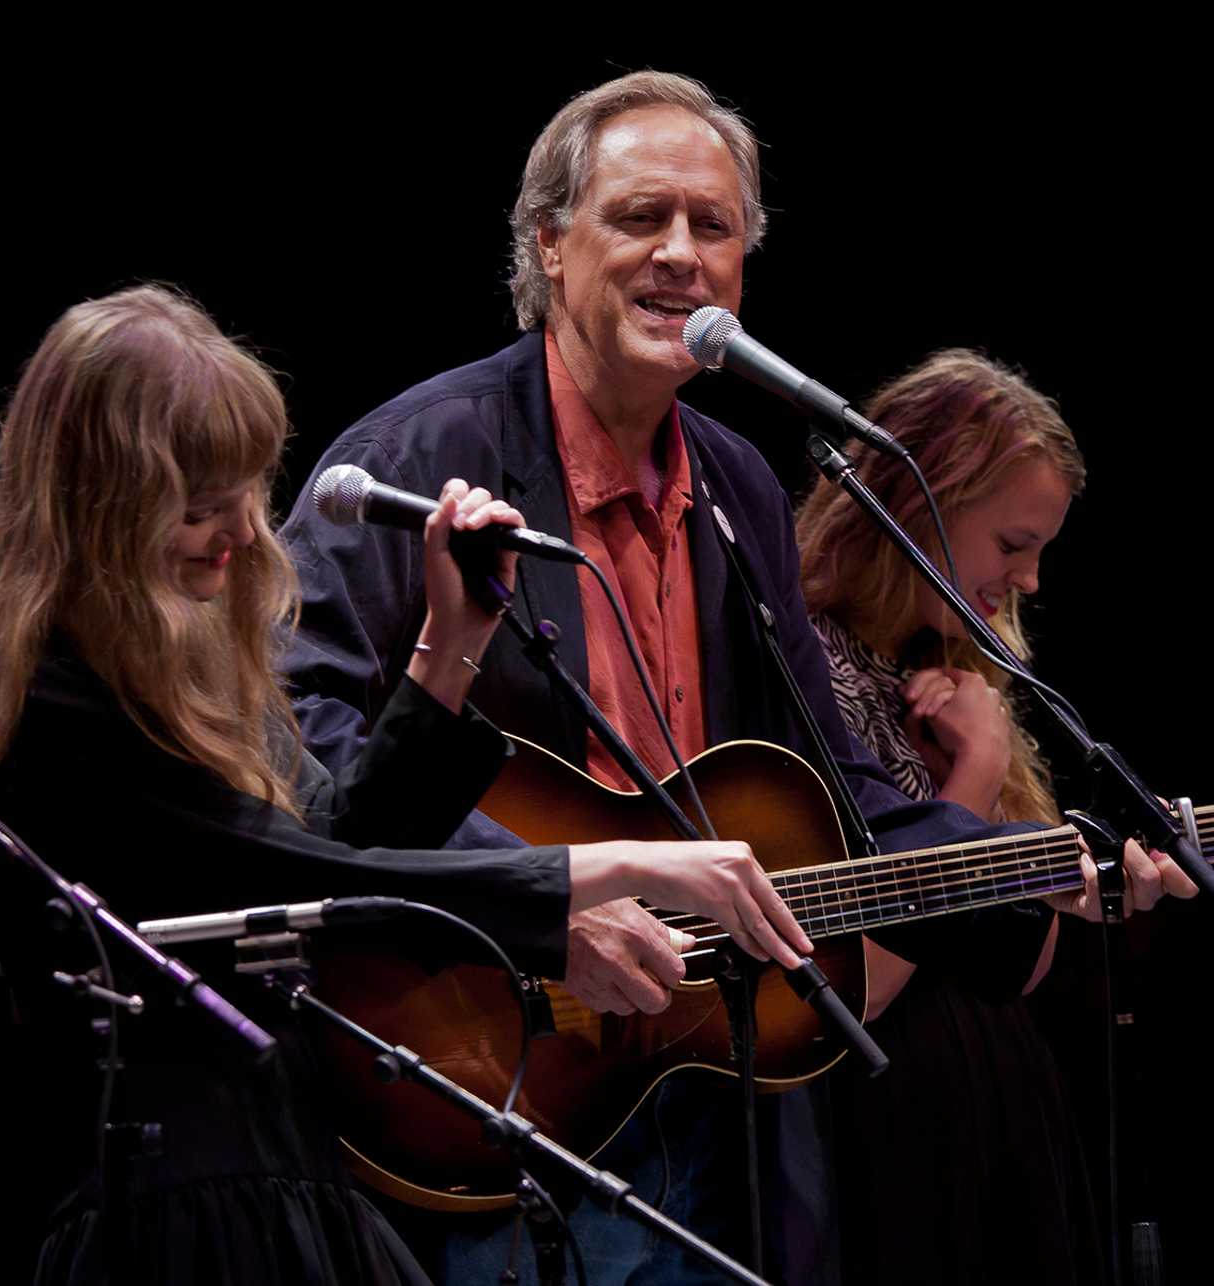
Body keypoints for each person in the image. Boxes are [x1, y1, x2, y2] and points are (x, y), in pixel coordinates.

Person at [277, 71, 1193, 1284]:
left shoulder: (737, 484)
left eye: (711, 227)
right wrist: (544, 894)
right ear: (548, 246)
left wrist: (1036, 874)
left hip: (709, 1078)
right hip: (489, 1072)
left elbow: (839, 779)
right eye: (639, 217)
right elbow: (295, 748)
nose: (679, 255)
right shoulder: (415, 459)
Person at [0, 285, 814, 1285]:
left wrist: (451, 642)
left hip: (277, 1176)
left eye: (245, 489)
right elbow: (313, 872)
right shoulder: (52, 699)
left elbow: (348, 826)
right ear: (101, 501)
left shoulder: (193, 674)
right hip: (166, 1216)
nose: (236, 529)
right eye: (196, 500)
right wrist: (596, 869)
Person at [795, 348, 1155, 1283]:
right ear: (920, 506)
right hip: (879, 1142)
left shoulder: (954, 670)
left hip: (1001, 1124)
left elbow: (1020, 965)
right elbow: (857, 989)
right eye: (1012, 544)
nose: (1031, 581)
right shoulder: (799, 669)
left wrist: (1017, 808)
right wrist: (978, 771)